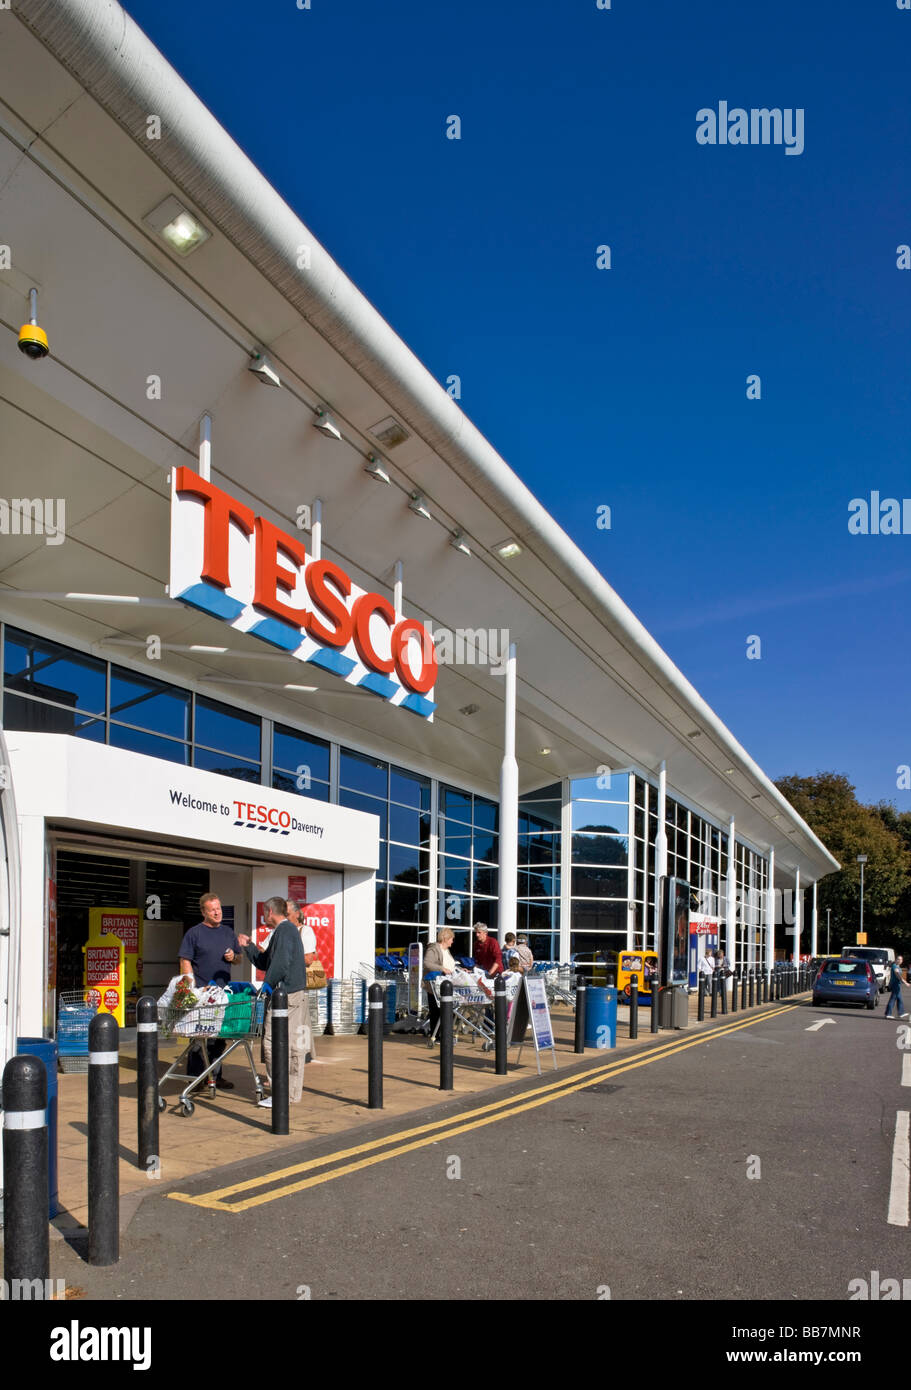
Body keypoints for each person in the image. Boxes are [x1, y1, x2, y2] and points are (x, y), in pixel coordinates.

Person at [237, 897, 308, 1107]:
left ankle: (280, 1095)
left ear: (269, 912)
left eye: (264, 912)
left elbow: (280, 962)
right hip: (292, 995)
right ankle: (289, 1094)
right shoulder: (281, 932)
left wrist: (267, 985)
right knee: (292, 1046)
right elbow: (266, 960)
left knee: (272, 1043)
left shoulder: (285, 931)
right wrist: (249, 947)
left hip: (286, 997)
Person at [178, 892, 240, 1088]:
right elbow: (185, 960)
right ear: (204, 912)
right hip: (202, 993)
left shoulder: (228, 933)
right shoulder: (194, 933)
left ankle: (215, 1075)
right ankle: (195, 1078)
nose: (217, 912)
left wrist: (233, 957)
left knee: (219, 1038)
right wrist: (191, 988)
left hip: (223, 994)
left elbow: (239, 958)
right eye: (212, 909)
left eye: (219, 908)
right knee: (200, 1037)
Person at [286, 899, 317, 1062]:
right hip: (282, 987)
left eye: (288, 914)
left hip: (298, 985)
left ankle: (300, 1057)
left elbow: (308, 959)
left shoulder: (304, 931)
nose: (284, 917)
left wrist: (284, 957)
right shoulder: (280, 931)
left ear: (297, 914)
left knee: (299, 1024)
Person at [423, 928, 458, 1033]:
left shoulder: (446, 950)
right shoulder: (433, 949)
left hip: (447, 985)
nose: (452, 941)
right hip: (435, 985)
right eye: (451, 939)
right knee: (436, 1011)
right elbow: (427, 963)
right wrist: (442, 969)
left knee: (447, 1010)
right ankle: (436, 1035)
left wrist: (458, 970)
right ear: (445, 938)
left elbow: (450, 965)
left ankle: (444, 1033)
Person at [884, 956, 908, 1020]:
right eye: (898, 959)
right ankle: (890, 1014)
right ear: (896, 960)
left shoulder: (898, 966)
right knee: (894, 999)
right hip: (895, 985)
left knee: (897, 999)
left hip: (897, 985)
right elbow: (897, 975)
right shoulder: (894, 966)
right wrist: (905, 982)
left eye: (901, 959)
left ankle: (898, 1013)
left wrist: (903, 981)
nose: (899, 960)